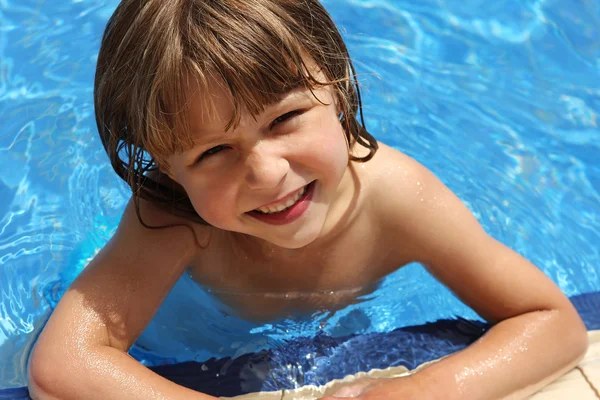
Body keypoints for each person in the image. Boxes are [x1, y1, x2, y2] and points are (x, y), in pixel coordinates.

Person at [28, 1, 588, 399]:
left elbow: (551, 320)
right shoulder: (175, 220)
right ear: (166, 170)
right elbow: (61, 366)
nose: (268, 173)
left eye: (286, 118)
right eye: (213, 152)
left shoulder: (398, 200)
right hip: (172, 341)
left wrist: (431, 388)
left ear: (339, 87)